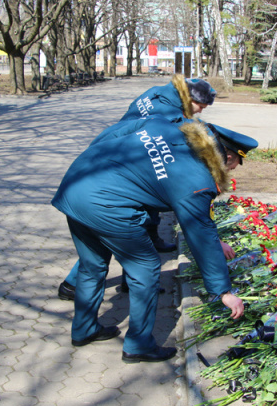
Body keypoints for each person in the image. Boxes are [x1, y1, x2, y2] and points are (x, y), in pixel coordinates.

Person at [51, 117, 257, 363]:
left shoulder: (170, 127)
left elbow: (118, 131)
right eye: (236, 164)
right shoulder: (197, 179)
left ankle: (84, 329)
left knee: (91, 265)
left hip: (77, 182)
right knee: (146, 267)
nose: (233, 170)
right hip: (105, 204)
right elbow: (199, 233)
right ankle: (139, 345)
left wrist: (94, 155)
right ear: (229, 156)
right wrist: (223, 291)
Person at [58, 74, 218, 300]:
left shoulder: (158, 93)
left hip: (124, 156)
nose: (200, 111)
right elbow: (179, 132)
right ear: (188, 98)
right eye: (199, 106)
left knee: (130, 231)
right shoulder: (167, 112)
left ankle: (129, 283)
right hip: (130, 168)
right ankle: (73, 285)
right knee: (112, 239)